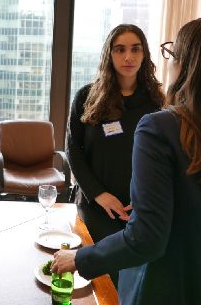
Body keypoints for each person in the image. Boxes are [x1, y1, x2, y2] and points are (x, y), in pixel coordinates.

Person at [52, 17, 201, 304]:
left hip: (169, 287)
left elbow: (146, 238)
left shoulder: (160, 127)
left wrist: (80, 258)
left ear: (187, 65)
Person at [67, 24, 164, 286]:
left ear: (144, 55)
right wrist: (99, 195)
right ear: (109, 55)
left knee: (132, 282)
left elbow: (165, 159)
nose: (128, 57)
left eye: (135, 49)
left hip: (139, 210)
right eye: (120, 50)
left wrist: (145, 201)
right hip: (96, 206)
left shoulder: (157, 103)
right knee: (99, 281)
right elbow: (73, 150)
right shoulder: (87, 96)